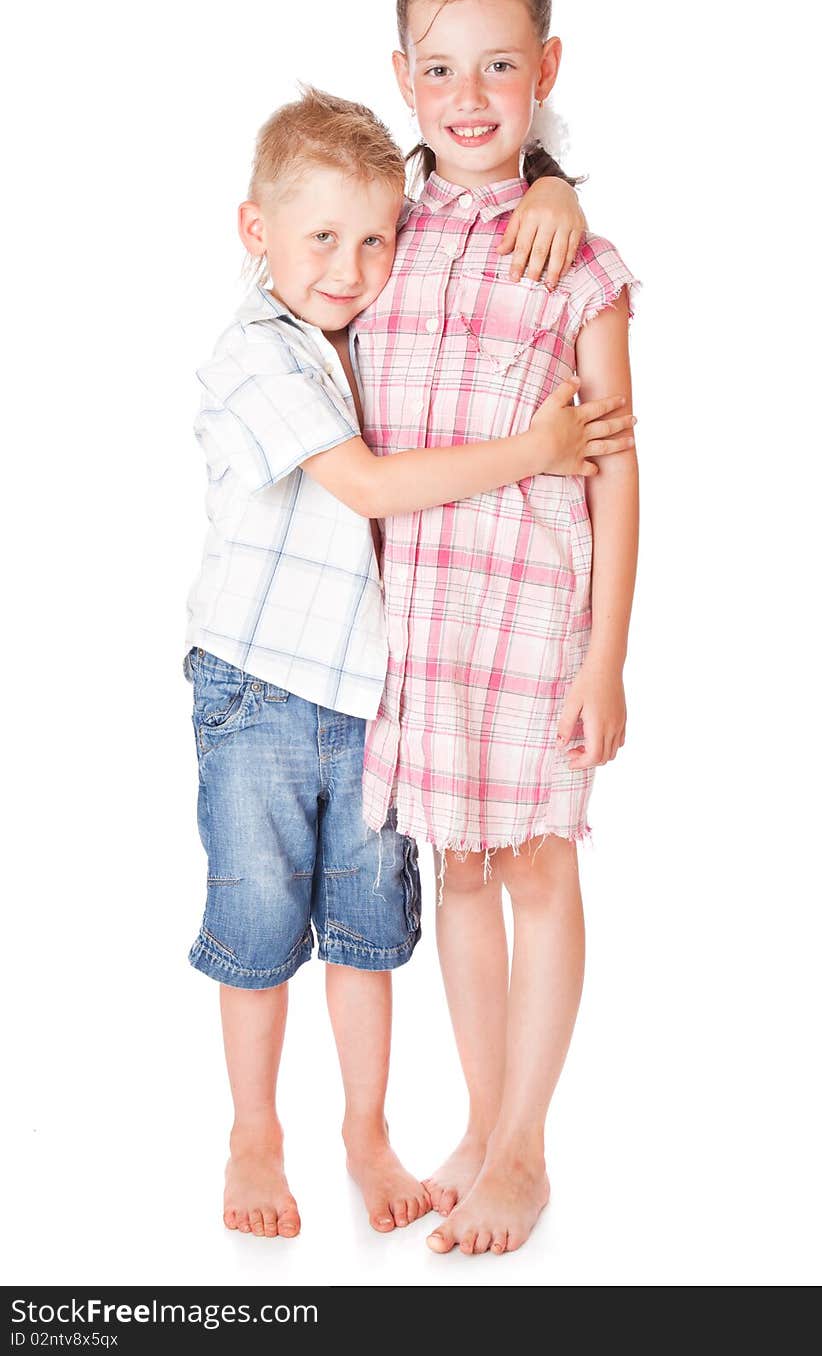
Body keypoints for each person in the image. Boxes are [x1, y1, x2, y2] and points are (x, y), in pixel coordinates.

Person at [184, 85, 638, 1239]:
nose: (350, 263)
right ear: (258, 234)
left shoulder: (371, 291)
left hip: (375, 682)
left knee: (366, 930)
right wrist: (534, 448)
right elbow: (378, 487)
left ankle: (372, 1131)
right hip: (261, 684)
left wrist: (545, 181)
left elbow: (459, 151)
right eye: (324, 241)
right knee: (255, 923)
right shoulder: (261, 350)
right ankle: (254, 1132)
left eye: (372, 238)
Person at [349, 0, 642, 1256]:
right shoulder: (381, 240)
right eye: (442, 68)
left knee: (534, 863)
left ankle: (524, 1145)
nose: (472, 94)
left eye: (501, 66)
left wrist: (606, 660)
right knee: (457, 869)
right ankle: (477, 1119)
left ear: (546, 72)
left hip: (532, 604)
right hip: (417, 608)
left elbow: (622, 470)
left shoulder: (579, 261)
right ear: (405, 81)